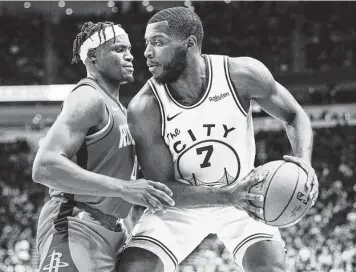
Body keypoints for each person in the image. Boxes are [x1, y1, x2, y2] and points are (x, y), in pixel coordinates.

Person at [118, 7, 319, 272]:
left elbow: (294, 115)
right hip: (182, 204)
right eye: (146, 43)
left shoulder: (241, 74)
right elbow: (162, 190)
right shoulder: (145, 107)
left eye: (158, 42)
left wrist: (304, 162)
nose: (146, 52)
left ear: (189, 43)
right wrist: (226, 196)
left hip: (245, 194)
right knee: (133, 269)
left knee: (271, 268)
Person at [32, 21, 174, 272]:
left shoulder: (120, 109)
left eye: (130, 49)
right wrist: (124, 188)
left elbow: (119, 183)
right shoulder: (88, 98)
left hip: (111, 234)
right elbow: (44, 167)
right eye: (119, 49)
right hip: (74, 228)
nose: (130, 55)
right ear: (93, 56)